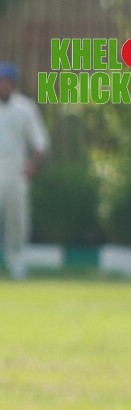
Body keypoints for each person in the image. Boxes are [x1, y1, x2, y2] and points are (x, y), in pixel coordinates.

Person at [0, 62, 49, 280]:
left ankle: (17, 264)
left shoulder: (25, 108)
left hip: (16, 173)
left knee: (17, 221)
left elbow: (40, 142)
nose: (4, 85)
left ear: (13, 83)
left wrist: (31, 166)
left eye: (7, 81)